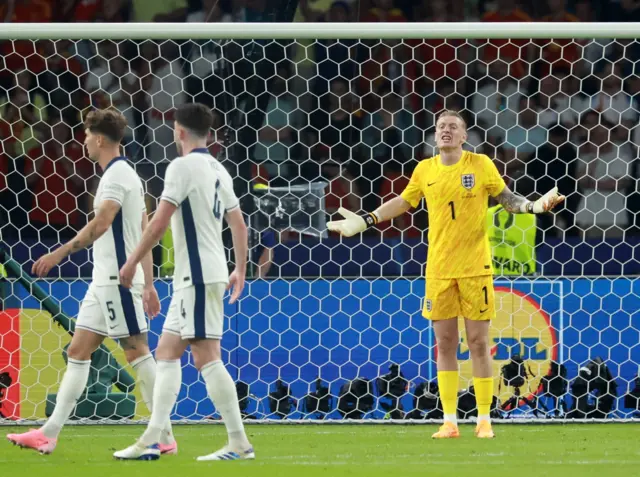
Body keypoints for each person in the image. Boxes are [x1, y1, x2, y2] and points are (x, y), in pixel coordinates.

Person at [327, 110, 564, 439]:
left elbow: (506, 199)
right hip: (438, 269)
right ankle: (450, 420)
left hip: (475, 268)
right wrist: (366, 220)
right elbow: (403, 202)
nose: (446, 131)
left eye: (454, 127)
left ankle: (484, 418)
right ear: (435, 136)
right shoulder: (425, 169)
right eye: (441, 127)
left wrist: (535, 207)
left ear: (465, 136)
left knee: (480, 344)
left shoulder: (480, 164)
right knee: (445, 344)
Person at [6, 109, 176, 454]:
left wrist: (59, 253)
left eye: (85, 135)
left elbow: (102, 224)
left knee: (137, 352)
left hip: (117, 281)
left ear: (99, 138)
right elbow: (143, 232)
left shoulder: (116, 177)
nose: (83, 141)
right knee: (78, 351)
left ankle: (164, 434)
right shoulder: (126, 173)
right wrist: (151, 282)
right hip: (104, 282)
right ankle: (49, 434)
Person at [113, 103, 253, 461]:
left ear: (178, 132)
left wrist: (131, 262)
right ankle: (156, 438)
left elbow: (158, 223)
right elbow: (238, 224)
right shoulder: (218, 167)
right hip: (198, 275)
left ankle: (239, 443)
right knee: (167, 354)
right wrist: (239, 266)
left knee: (207, 358)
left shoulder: (181, 166)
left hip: (198, 275)